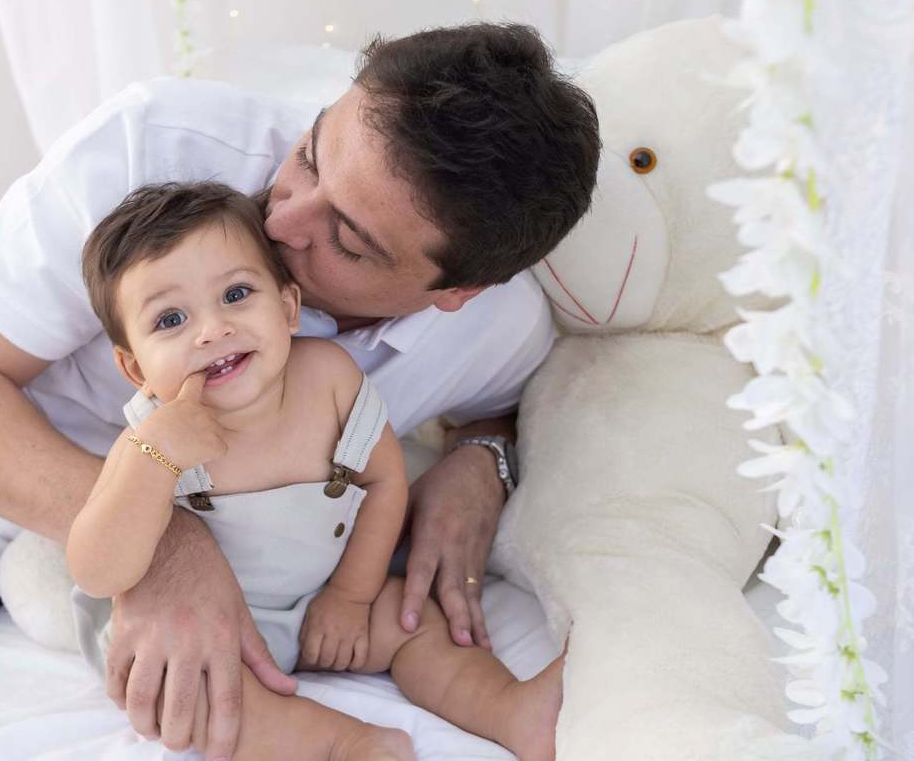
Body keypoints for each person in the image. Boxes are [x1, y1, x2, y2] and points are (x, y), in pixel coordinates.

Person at [0, 22, 599, 757]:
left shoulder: (495, 331)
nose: (282, 221)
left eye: (346, 239)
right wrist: (168, 549)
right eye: (311, 155)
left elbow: (496, 405)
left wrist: (480, 458)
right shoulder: (160, 144)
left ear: (457, 291)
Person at [65, 180, 563, 759]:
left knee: (413, 619)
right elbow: (98, 571)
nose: (211, 330)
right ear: (134, 368)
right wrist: (154, 458)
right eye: (171, 319)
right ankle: (342, 746)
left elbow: (383, 482)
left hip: (322, 600)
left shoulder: (328, 381)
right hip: (197, 631)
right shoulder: (148, 439)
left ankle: (511, 711)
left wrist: (351, 598)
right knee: (198, 699)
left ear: (288, 307)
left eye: (235, 294)